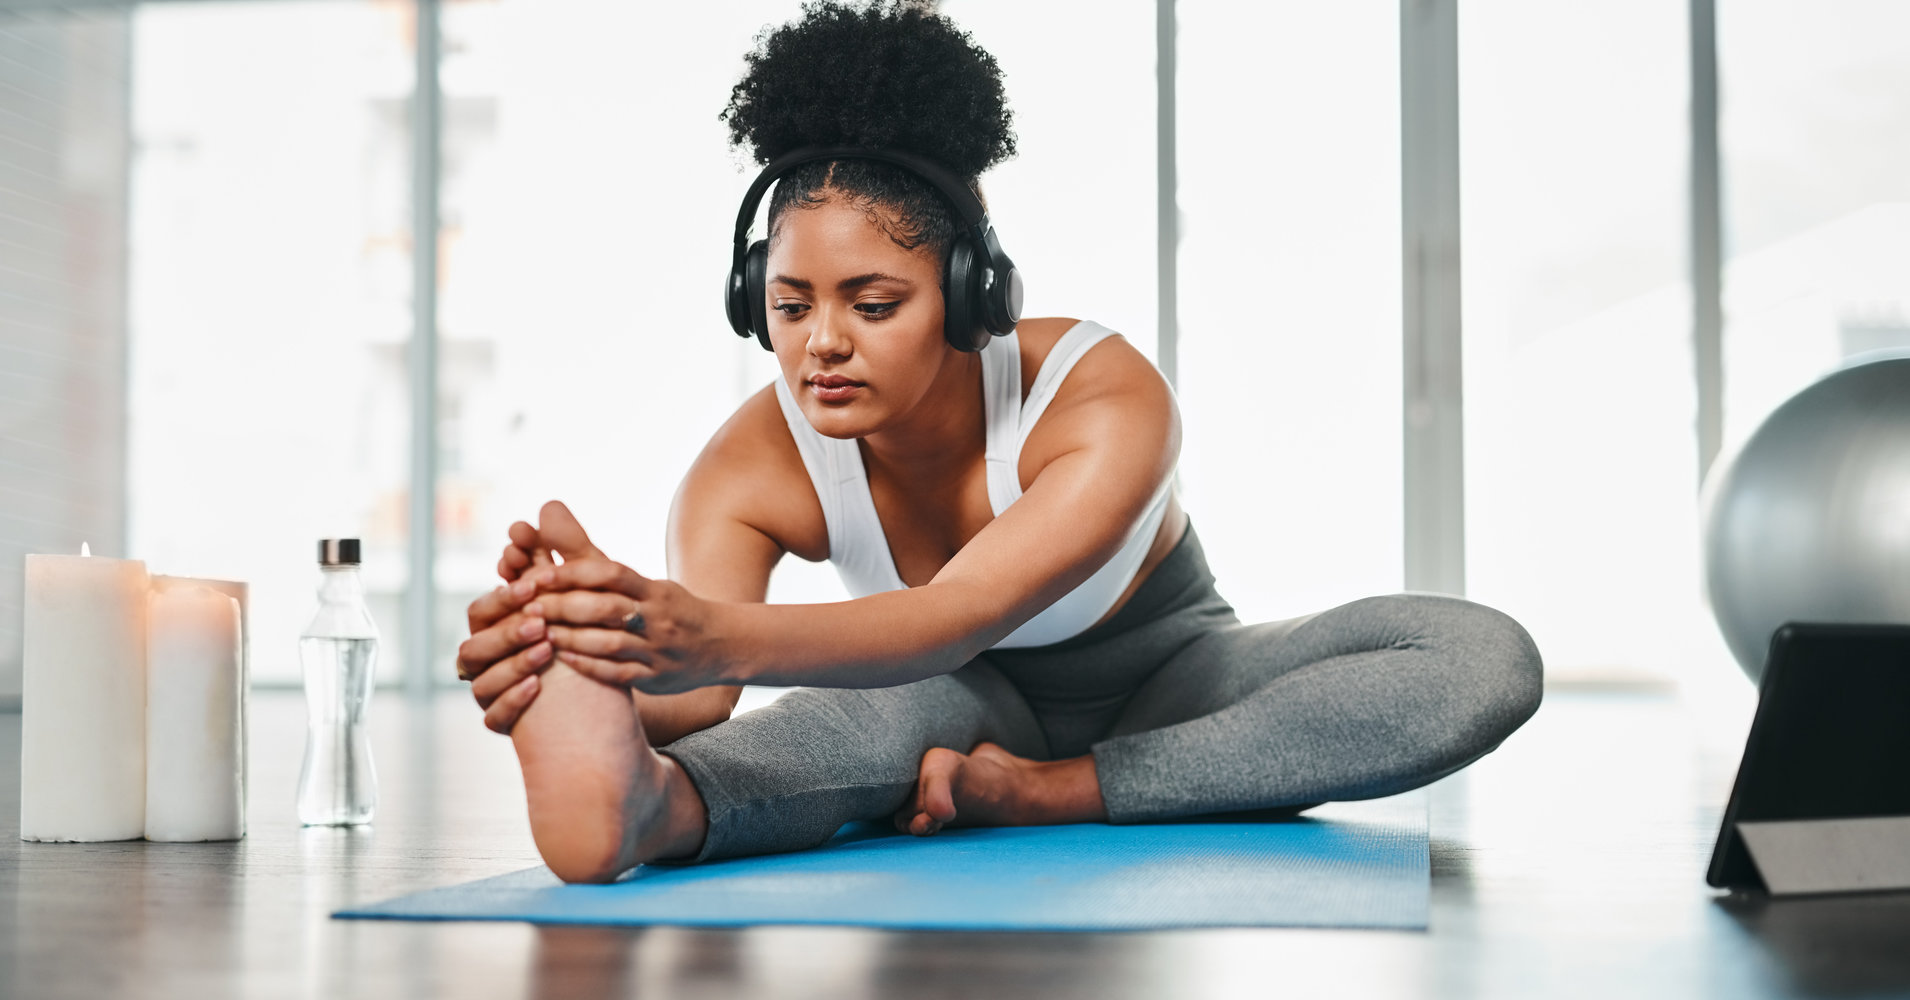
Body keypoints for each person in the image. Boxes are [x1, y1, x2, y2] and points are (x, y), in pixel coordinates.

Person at [454, 0, 1542, 884]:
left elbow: (947, 615)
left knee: (1478, 657)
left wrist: (709, 633)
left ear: (970, 296)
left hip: (1178, 675)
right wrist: (590, 659)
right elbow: (701, 694)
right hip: (959, 703)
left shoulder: (1099, 395)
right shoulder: (749, 464)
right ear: (752, 299)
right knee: (864, 722)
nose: (820, 346)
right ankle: (645, 809)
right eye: (789, 306)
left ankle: (1053, 787)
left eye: (871, 304)